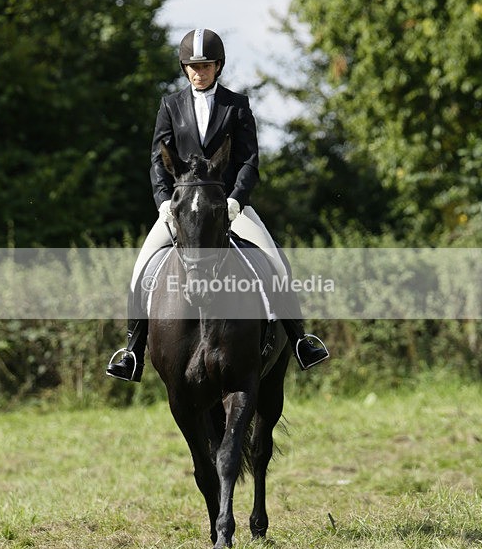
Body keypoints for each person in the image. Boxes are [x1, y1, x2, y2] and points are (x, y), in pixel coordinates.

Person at [106, 28, 329, 382]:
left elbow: (248, 161)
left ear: (218, 66)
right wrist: (164, 202)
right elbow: (156, 160)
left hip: (228, 207)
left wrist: (236, 201)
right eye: (191, 66)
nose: (199, 72)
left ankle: (301, 340)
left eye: (205, 65)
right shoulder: (170, 105)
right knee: (141, 270)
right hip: (181, 209)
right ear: (184, 68)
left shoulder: (236, 105)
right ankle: (132, 352)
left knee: (275, 261)